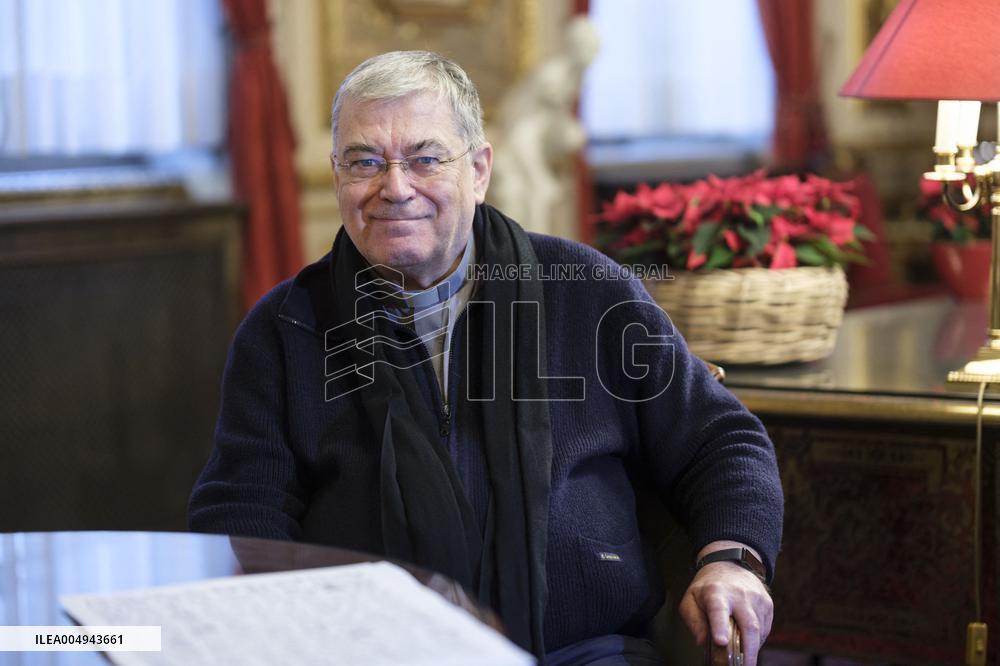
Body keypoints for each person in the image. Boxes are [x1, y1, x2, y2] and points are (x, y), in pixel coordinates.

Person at [189, 50, 782, 666]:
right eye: (364, 161)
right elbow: (242, 507)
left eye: (425, 159)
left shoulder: (585, 290)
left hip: (583, 652)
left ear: (478, 171)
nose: (395, 188)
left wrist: (732, 559)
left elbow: (721, 439)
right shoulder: (285, 327)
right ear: (336, 174)